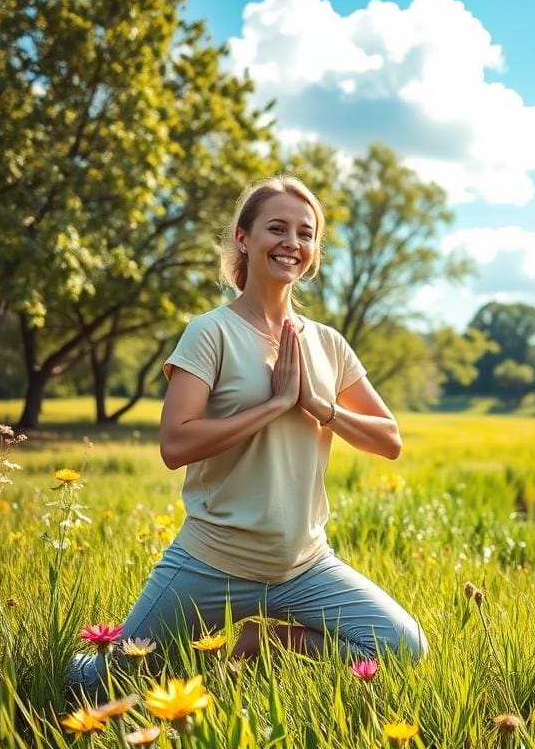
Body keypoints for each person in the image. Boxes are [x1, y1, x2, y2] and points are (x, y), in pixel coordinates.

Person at [67, 176, 427, 696]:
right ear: (243, 237)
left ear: (314, 251)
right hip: (213, 560)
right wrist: (275, 405)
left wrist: (318, 407)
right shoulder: (210, 332)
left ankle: (267, 641)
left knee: (402, 647)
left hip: (304, 564)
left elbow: (388, 439)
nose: (292, 243)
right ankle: (67, 664)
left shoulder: (328, 343)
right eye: (276, 228)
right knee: (106, 683)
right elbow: (176, 445)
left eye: (305, 234)